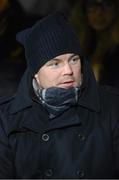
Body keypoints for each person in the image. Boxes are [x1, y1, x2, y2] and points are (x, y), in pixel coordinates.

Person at [0, 12, 119, 179]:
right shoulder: (6, 118)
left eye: (73, 60)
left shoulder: (111, 106)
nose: (68, 71)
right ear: (35, 73)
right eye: (55, 64)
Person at [70, 0, 119, 87]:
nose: (99, 12)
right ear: (83, 10)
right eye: (92, 5)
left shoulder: (115, 51)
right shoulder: (75, 41)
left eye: (108, 4)